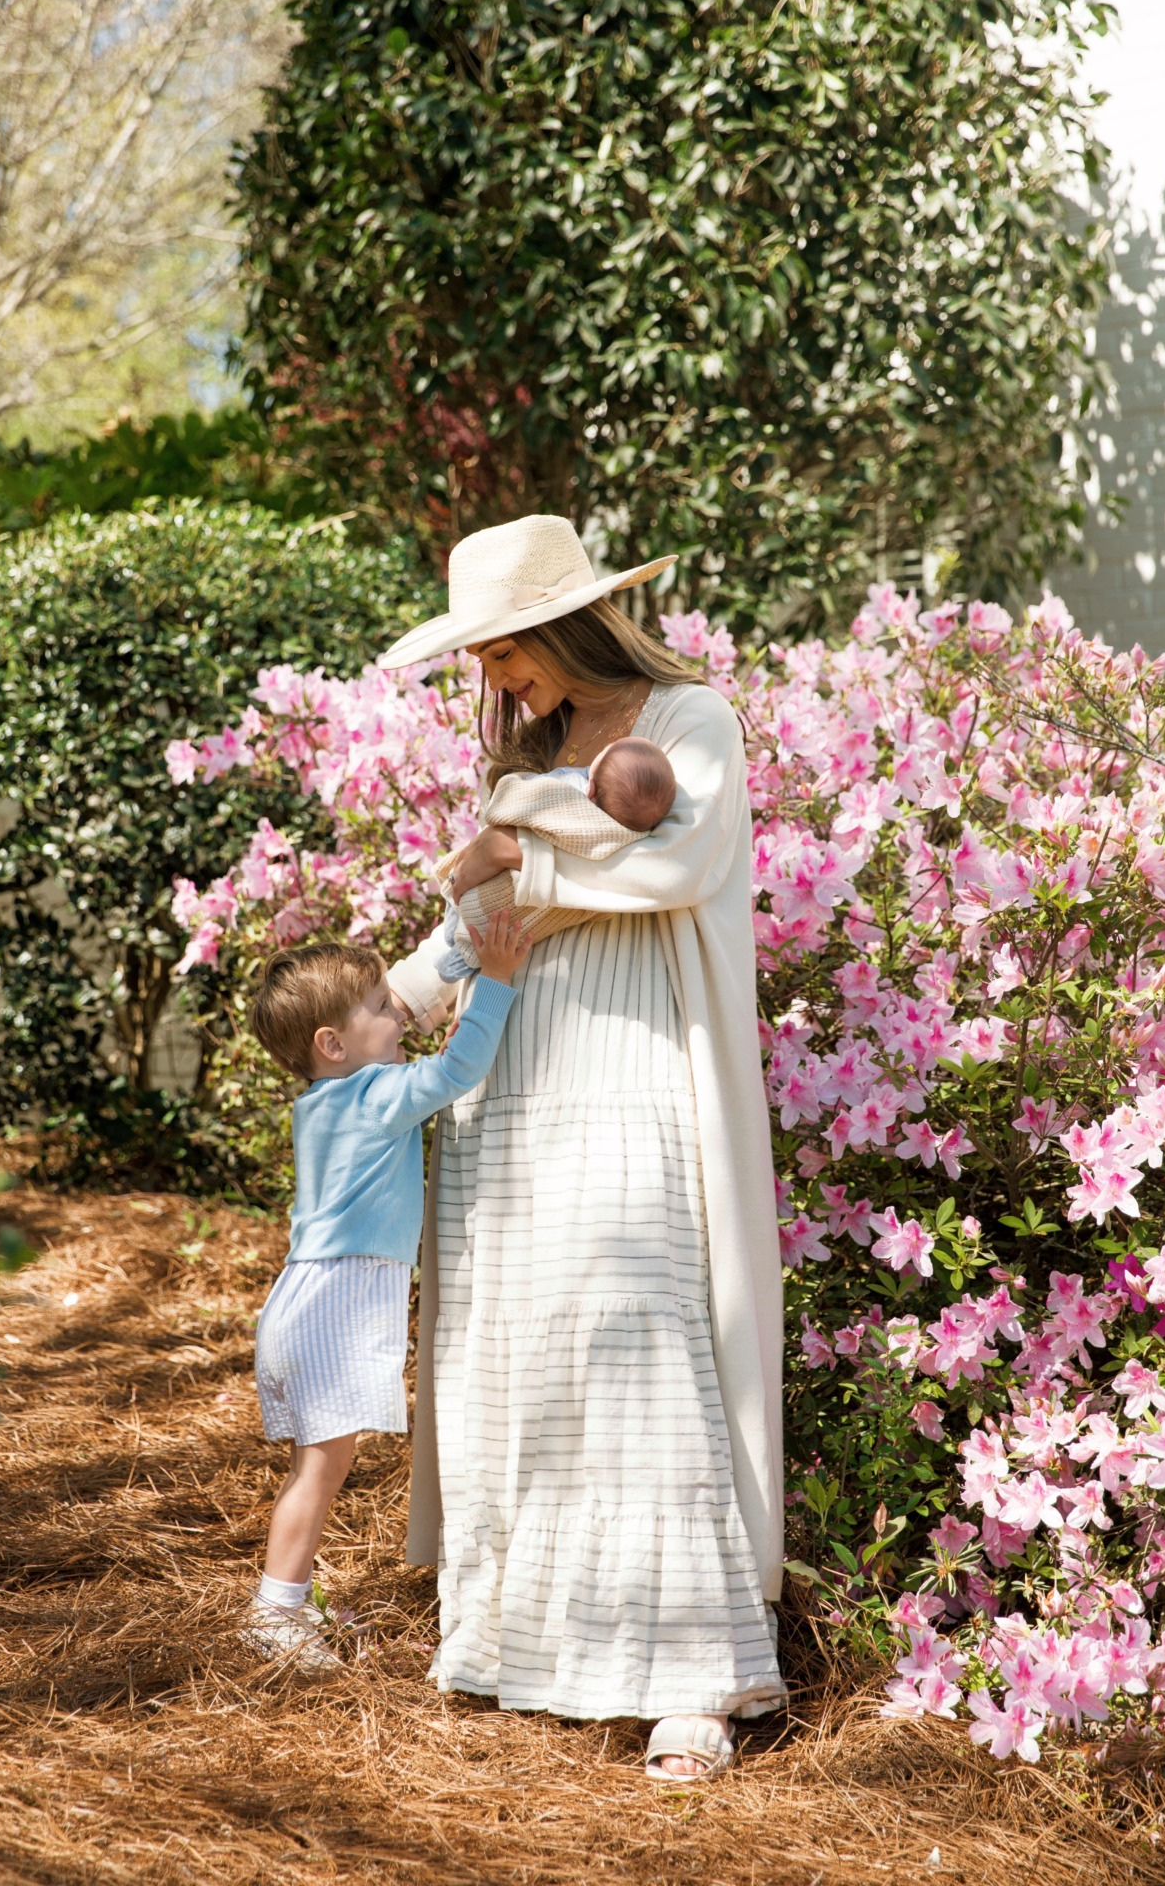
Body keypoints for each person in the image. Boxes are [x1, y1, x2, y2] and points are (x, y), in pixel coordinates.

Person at [379, 514, 786, 1782]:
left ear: (564, 625)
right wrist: (379, 1000)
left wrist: (518, 843)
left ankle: (687, 1675)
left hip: (634, 1055)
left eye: (505, 654)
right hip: (516, 1067)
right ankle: (532, 1636)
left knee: (640, 1322)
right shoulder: (539, 754)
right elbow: (477, 908)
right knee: (526, 1330)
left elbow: (679, 869)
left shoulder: (689, 720)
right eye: (489, 664)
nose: (498, 684)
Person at [241, 912, 531, 1672]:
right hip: (331, 1305)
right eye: (376, 1006)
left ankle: (284, 1602)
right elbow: (454, 1073)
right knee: (321, 1470)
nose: (393, 1011)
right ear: (331, 1045)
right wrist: (495, 981)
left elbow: (419, 1052)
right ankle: (274, 1612)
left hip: (309, 1299)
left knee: (317, 1466)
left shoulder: (327, 1100)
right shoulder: (369, 1095)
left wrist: (459, 951)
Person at [435, 734, 677, 981]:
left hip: (504, 889)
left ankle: (456, 934)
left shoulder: (571, 786)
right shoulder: (629, 839)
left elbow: (517, 798)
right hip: (525, 914)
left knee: (475, 904)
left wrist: (499, 839)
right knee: (493, 927)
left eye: (603, 753)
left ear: (590, 790)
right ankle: (458, 954)